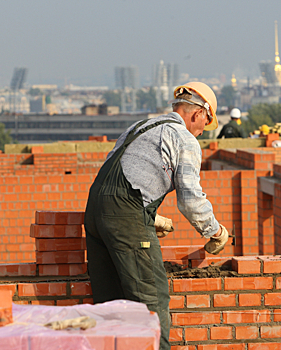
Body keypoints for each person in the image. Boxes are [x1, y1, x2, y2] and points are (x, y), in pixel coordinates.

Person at [84, 82, 230, 350]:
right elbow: (190, 198)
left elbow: (123, 177)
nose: (201, 132)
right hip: (124, 216)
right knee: (151, 301)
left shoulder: (140, 127)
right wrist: (215, 230)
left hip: (94, 212)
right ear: (199, 114)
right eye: (204, 125)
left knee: (111, 304)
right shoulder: (183, 138)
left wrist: (149, 216)